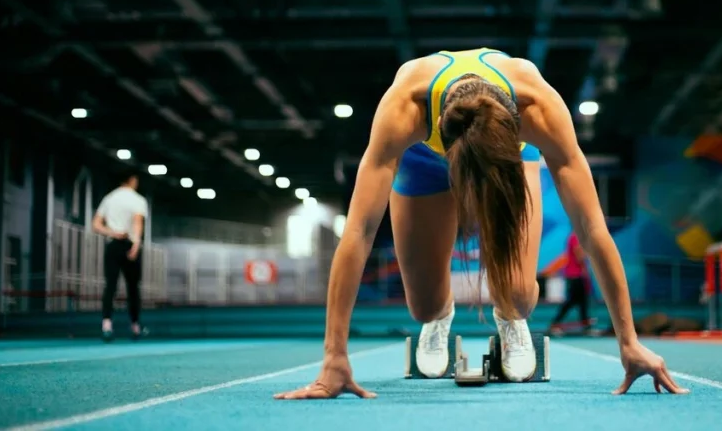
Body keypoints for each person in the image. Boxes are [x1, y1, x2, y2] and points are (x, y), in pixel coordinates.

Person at [274, 48, 687, 399]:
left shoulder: (537, 107)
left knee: (522, 296)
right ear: (437, 127)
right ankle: (440, 318)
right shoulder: (405, 107)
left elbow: (593, 230)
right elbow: (359, 233)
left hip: (511, 162)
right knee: (422, 306)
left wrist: (630, 342)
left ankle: (512, 319)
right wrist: (334, 358)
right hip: (423, 165)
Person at [91, 170, 148, 341]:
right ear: (132, 180)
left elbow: (96, 224)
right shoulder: (138, 199)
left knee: (110, 286)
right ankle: (135, 327)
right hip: (130, 245)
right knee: (133, 288)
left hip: (113, 245)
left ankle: (107, 325)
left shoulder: (109, 198)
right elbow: (137, 222)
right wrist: (136, 245)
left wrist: (113, 233)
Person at [548, 231, 594, 335]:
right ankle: (555, 323)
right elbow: (580, 257)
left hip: (577, 275)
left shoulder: (577, 237)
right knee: (572, 301)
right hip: (575, 275)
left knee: (582, 301)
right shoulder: (576, 237)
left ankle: (586, 325)